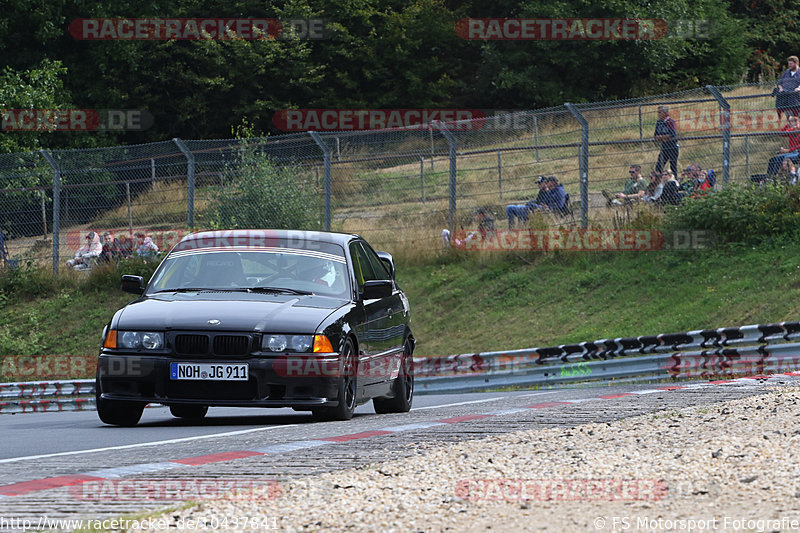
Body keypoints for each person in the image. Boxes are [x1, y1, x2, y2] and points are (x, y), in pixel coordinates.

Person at [654, 105, 679, 176]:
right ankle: (659, 181)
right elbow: (655, 135)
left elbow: (673, 134)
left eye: (660, 112)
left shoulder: (670, 121)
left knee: (673, 166)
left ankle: (674, 182)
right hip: (664, 147)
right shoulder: (659, 122)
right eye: (658, 112)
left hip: (672, 147)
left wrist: (661, 137)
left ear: (665, 113)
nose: (658, 114)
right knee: (659, 166)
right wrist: (663, 137)